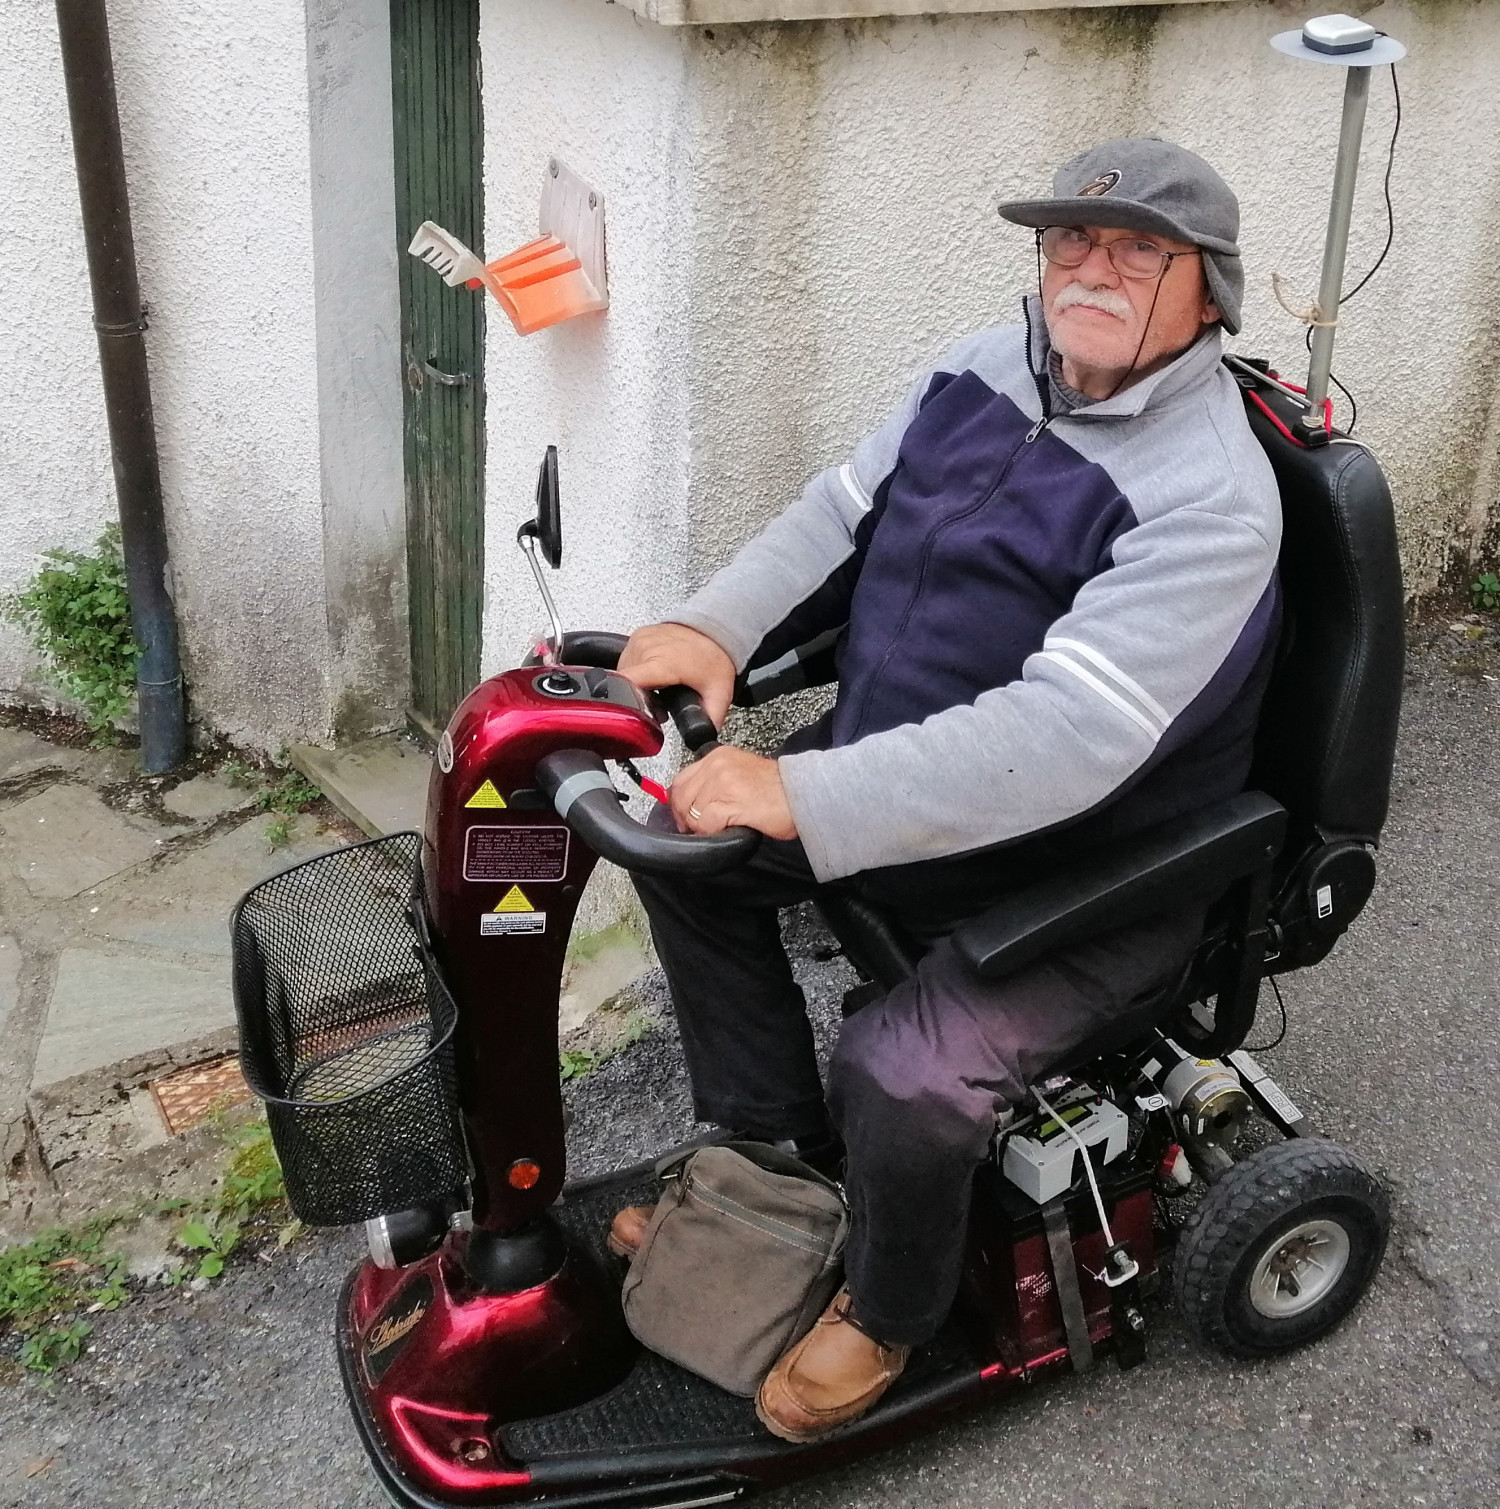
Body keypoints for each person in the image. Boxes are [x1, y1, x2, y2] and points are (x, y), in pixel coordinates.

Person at [611, 138, 1281, 1442]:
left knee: (905, 1066)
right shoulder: (980, 366)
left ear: (1213, 291)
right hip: (903, 796)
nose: (1092, 269)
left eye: (1142, 250)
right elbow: (834, 514)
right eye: (1070, 244)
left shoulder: (1212, 500)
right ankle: (771, 1172)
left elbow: (1063, 742)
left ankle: (889, 1307)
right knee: (677, 854)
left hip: (1097, 872)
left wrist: (807, 792)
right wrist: (717, 627)